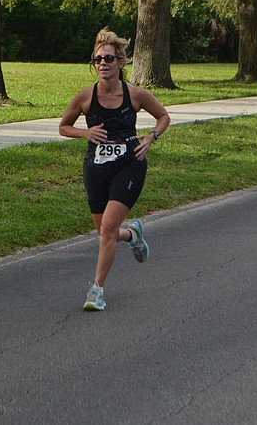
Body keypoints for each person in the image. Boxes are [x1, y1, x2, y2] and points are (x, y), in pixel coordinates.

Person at [59, 28, 171, 311]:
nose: (103, 64)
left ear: (121, 62)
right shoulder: (84, 97)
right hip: (95, 167)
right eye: (98, 59)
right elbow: (63, 127)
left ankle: (96, 290)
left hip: (129, 164)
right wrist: (85, 134)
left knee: (108, 229)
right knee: (106, 233)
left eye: (109, 58)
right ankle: (132, 234)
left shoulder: (135, 95)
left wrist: (151, 138)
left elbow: (163, 116)